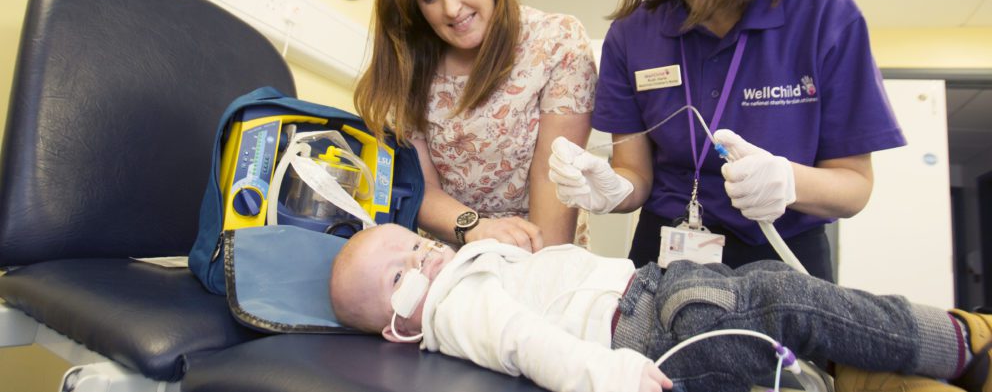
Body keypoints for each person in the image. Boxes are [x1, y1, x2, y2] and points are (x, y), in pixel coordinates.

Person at [548, 0, 905, 279]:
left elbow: (854, 187)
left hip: (783, 252)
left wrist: (789, 182)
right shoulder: (632, 36)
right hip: (667, 250)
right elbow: (634, 177)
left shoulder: (824, 15)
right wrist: (609, 190)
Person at [329, 223, 992, 392]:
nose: (421, 259)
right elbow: (526, 340)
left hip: (653, 289)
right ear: (395, 326)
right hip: (641, 332)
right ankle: (957, 340)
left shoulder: (466, 266)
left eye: (414, 244)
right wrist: (610, 376)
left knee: (773, 298)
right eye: (398, 272)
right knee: (785, 299)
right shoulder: (454, 306)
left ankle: (901, 364)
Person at [354, 0, 597, 251]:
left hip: (541, 249)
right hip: (455, 248)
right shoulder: (412, 67)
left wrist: (540, 275)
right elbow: (421, 187)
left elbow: (552, 178)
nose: (451, 8)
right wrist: (476, 229)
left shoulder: (556, 42)